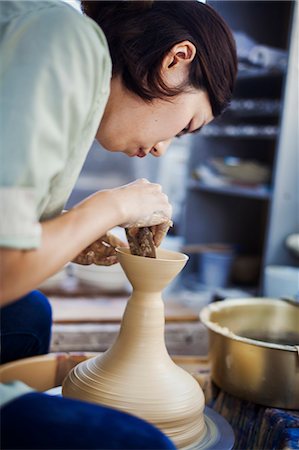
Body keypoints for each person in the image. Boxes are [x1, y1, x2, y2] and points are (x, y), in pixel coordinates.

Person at [0, 1, 237, 448]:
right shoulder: (64, 38)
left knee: (30, 314)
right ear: (174, 60)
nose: (164, 148)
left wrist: (74, 232)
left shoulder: (74, 70)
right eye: (185, 125)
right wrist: (112, 206)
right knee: (142, 443)